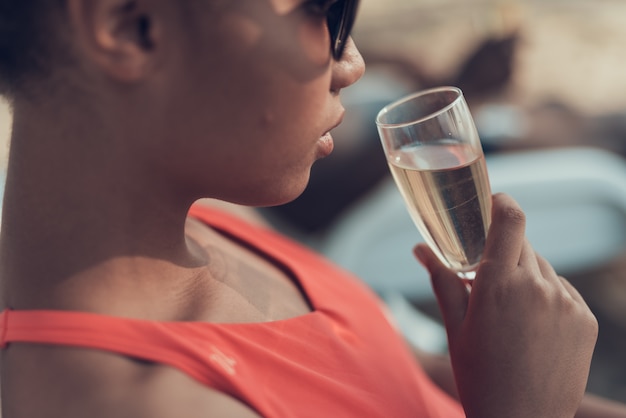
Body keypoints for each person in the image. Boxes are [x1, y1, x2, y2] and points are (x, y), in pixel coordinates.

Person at [0, 0, 624, 417]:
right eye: (324, 11)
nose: (352, 62)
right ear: (133, 25)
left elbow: (407, 380)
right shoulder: (128, 400)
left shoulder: (212, 226)